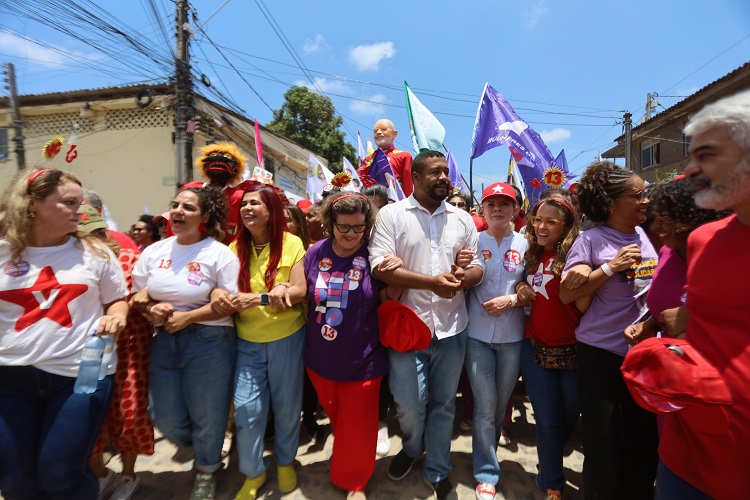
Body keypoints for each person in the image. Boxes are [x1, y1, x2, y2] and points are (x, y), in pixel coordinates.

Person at [0, 168, 129, 500]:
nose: (80, 212)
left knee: (60, 472)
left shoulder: (98, 254)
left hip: (80, 374)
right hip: (9, 380)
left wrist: (115, 318)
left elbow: (117, 302)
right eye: (69, 203)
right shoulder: (2, 252)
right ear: (33, 204)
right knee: (17, 483)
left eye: (80, 203)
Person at [369, 150, 483, 500]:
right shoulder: (391, 215)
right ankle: (412, 446)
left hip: (452, 329)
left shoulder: (462, 220)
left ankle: (437, 469)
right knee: (408, 403)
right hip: (408, 328)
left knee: (444, 403)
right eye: (435, 172)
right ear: (415, 178)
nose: (444, 178)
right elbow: (379, 267)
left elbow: (478, 268)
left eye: (446, 172)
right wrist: (432, 282)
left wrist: (462, 279)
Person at [654, 89, 750, 499]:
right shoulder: (703, 241)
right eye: (691, 155)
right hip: (685, 457)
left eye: (707, 154)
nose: (691, 169)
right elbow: (693, 329)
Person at [131, 187, 239, 500]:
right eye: (175, 206)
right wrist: (151, 309)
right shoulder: (154, 252)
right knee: (162, 413)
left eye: (188, 208)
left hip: (211, 339)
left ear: (204, 217)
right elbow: (139, 296)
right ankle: (205, 448)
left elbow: (228, 303)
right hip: (164, 338)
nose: (178, 211)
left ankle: (206, 470)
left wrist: (189, 318)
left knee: (208, 412)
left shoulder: (219, 253)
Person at [560, 161, 659, 499]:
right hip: (601, 355)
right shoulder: (590, 240)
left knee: (642, 437)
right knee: (603, 442)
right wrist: (610, 267)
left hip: (643, 354)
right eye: (638, 195)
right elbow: (566, 293)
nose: (646, 200)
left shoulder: (644, 234)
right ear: (611, 203)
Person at [210, 183, 307, 500]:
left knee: (287, 407)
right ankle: (253, 473)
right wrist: (220, 296)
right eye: (244, 204)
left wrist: (265, 296)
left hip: (287, 338)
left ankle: (284, 462)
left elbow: (301, 291)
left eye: (255, 203)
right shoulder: (231, 249)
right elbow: (218, 288)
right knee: (248, 412)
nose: (247, 208)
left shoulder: (292, 244)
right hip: (246, 341)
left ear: (271, 211)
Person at [303, 193, 402, 499]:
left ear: (367, 226)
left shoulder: (375, 255)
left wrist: (397, 275)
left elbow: (388, 300)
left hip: (364, 360)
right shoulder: (313, 253)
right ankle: (345, 460)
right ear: (330, 224)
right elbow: (299, 292)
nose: (350, 234)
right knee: (339, 422)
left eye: (357, 227)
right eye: (343, 226)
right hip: (320, 360)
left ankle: (355, 482)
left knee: (358, 427)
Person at [78, 206, 155, 500]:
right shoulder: (67, 263)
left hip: (130, 348)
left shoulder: (131, 260)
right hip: (85, 353)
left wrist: (141, 299)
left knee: (129, 413)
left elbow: (147, 294)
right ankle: (101, 475)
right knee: (88, 421)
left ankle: (128, 475)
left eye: (96, 232)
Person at [464, 182, 530, 500]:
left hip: (512, 337)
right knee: (485, 406)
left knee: (500, 404)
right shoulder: (473, 243)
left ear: (515, 210)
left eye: (505, 203)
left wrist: (514, 300)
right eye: (491, 204)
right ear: (482, 210)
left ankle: (489, 441)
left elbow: (532, 289)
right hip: (476, 336)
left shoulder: (528, 244)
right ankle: (486, 474)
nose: (498, 209)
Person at [518, 197, 586, 500]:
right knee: (547, 421)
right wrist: (520, 286)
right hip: (534, 350)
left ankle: (553, 459)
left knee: (569, 415)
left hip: (574, 352)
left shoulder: (578, 256)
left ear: (567, 227)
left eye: (550, 221)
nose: (541, 227)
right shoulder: (530, 254)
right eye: (537, 220)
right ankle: (552, 483)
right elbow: (519, 283)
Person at [624, 178, 728, 347]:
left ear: (692, 218)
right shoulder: (667, 252)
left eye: (666, 219)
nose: (656, 227)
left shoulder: (726, 262)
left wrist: (694, 319)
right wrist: (649, 324)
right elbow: (667, 306)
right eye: (656, 218)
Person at [358, 119, 414, 196]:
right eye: (375, 131)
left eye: (383, 129)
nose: (378, 132)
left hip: (394, 202)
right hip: (369, 202)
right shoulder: (368, 159)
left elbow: (408, 186)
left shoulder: (404, 156)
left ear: (394, 134)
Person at [82, 188, 140, 254]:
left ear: (98, 210)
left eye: (83, 207)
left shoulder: (122, 240)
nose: (77, 211)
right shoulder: (69, 240)